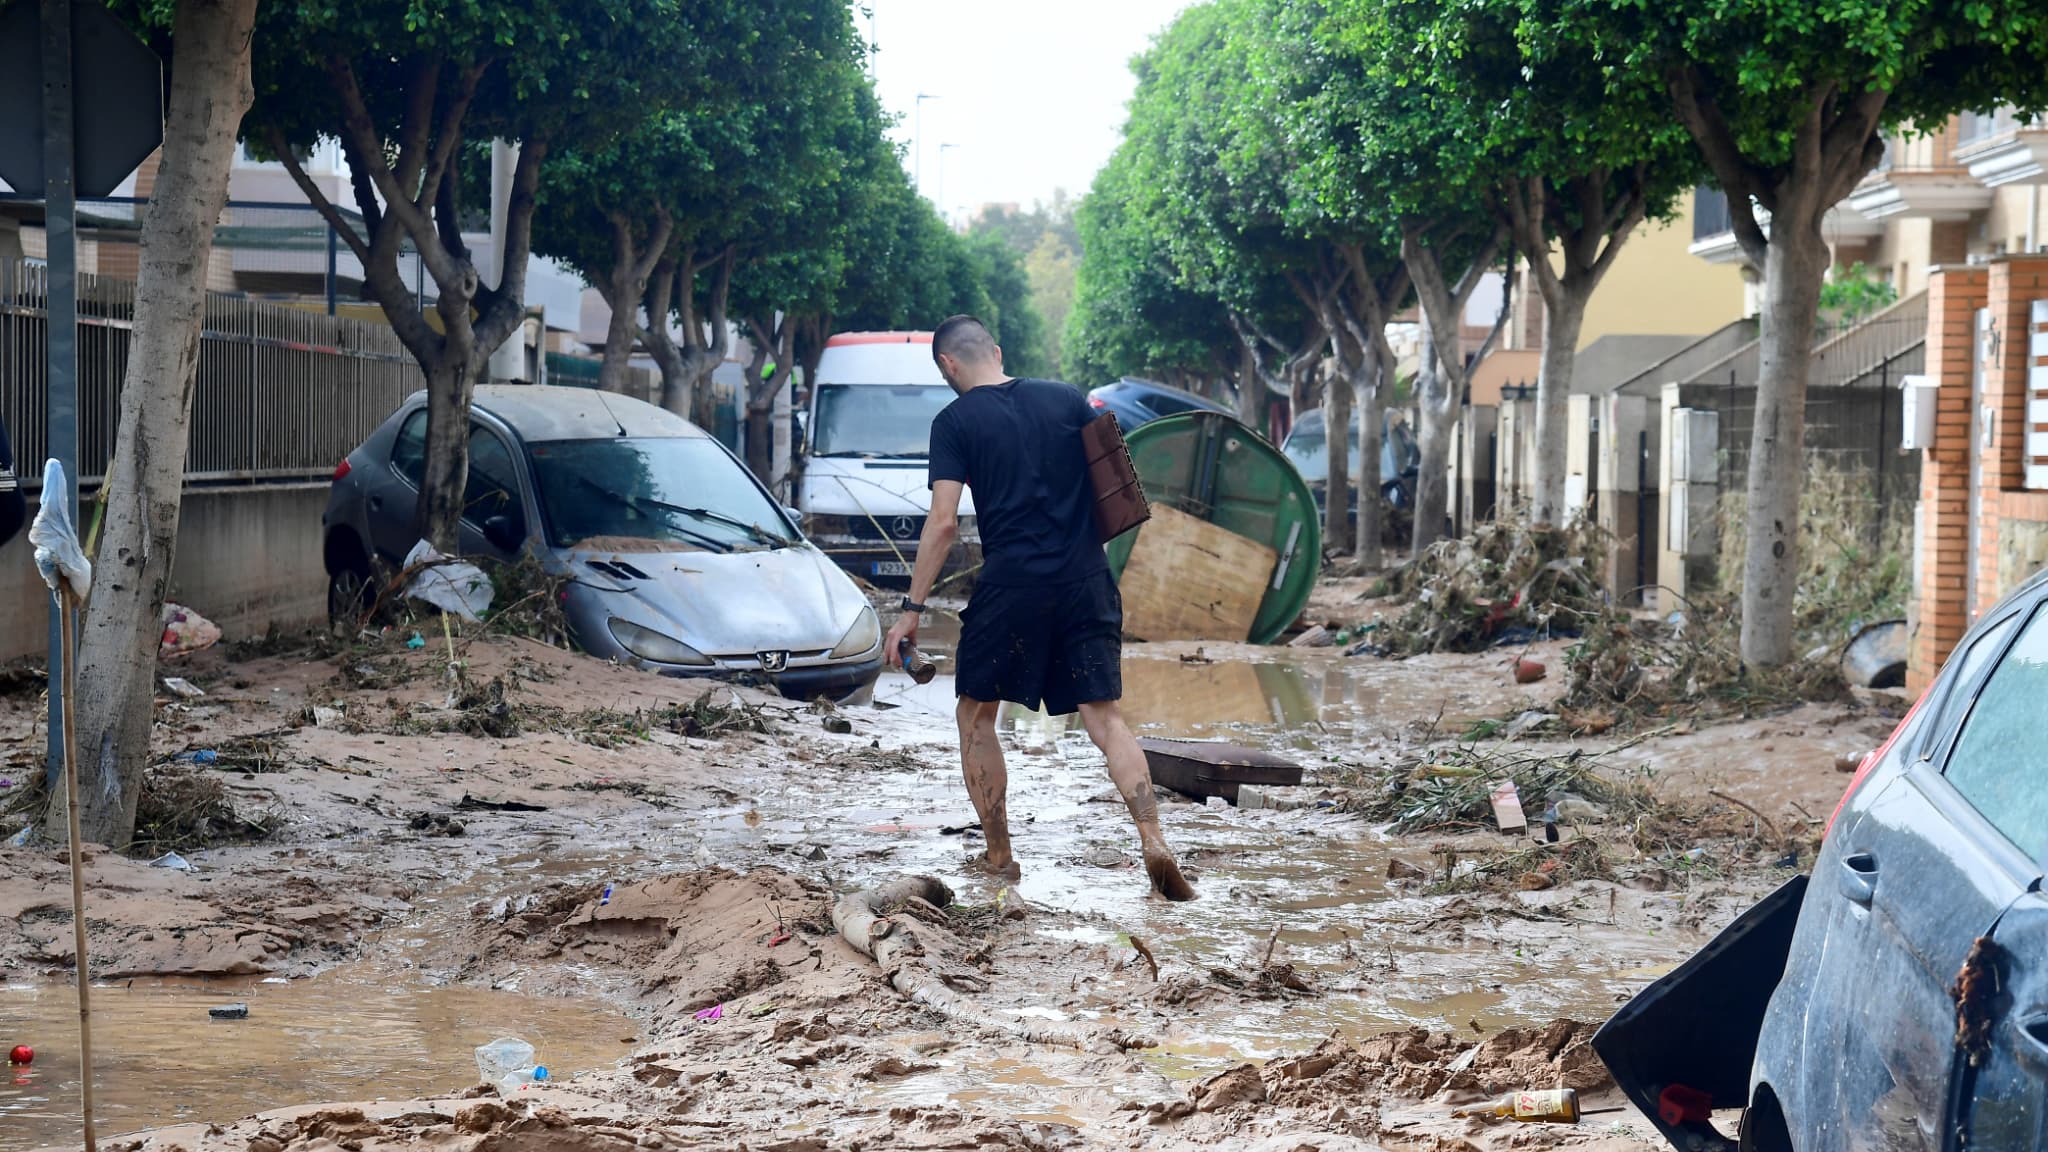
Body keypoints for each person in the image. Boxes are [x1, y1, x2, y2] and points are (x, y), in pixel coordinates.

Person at [883, 315, 1196, 901]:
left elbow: (944, 523)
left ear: (948, 365)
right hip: (1086, 576)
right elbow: (1116, 487)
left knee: (977, 714)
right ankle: (1153, 839)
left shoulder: (953, 422)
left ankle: (1000, 858)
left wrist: (911, 610)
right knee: (1105, 718)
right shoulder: (1067, 398)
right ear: (996, 352)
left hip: (1013, 585)